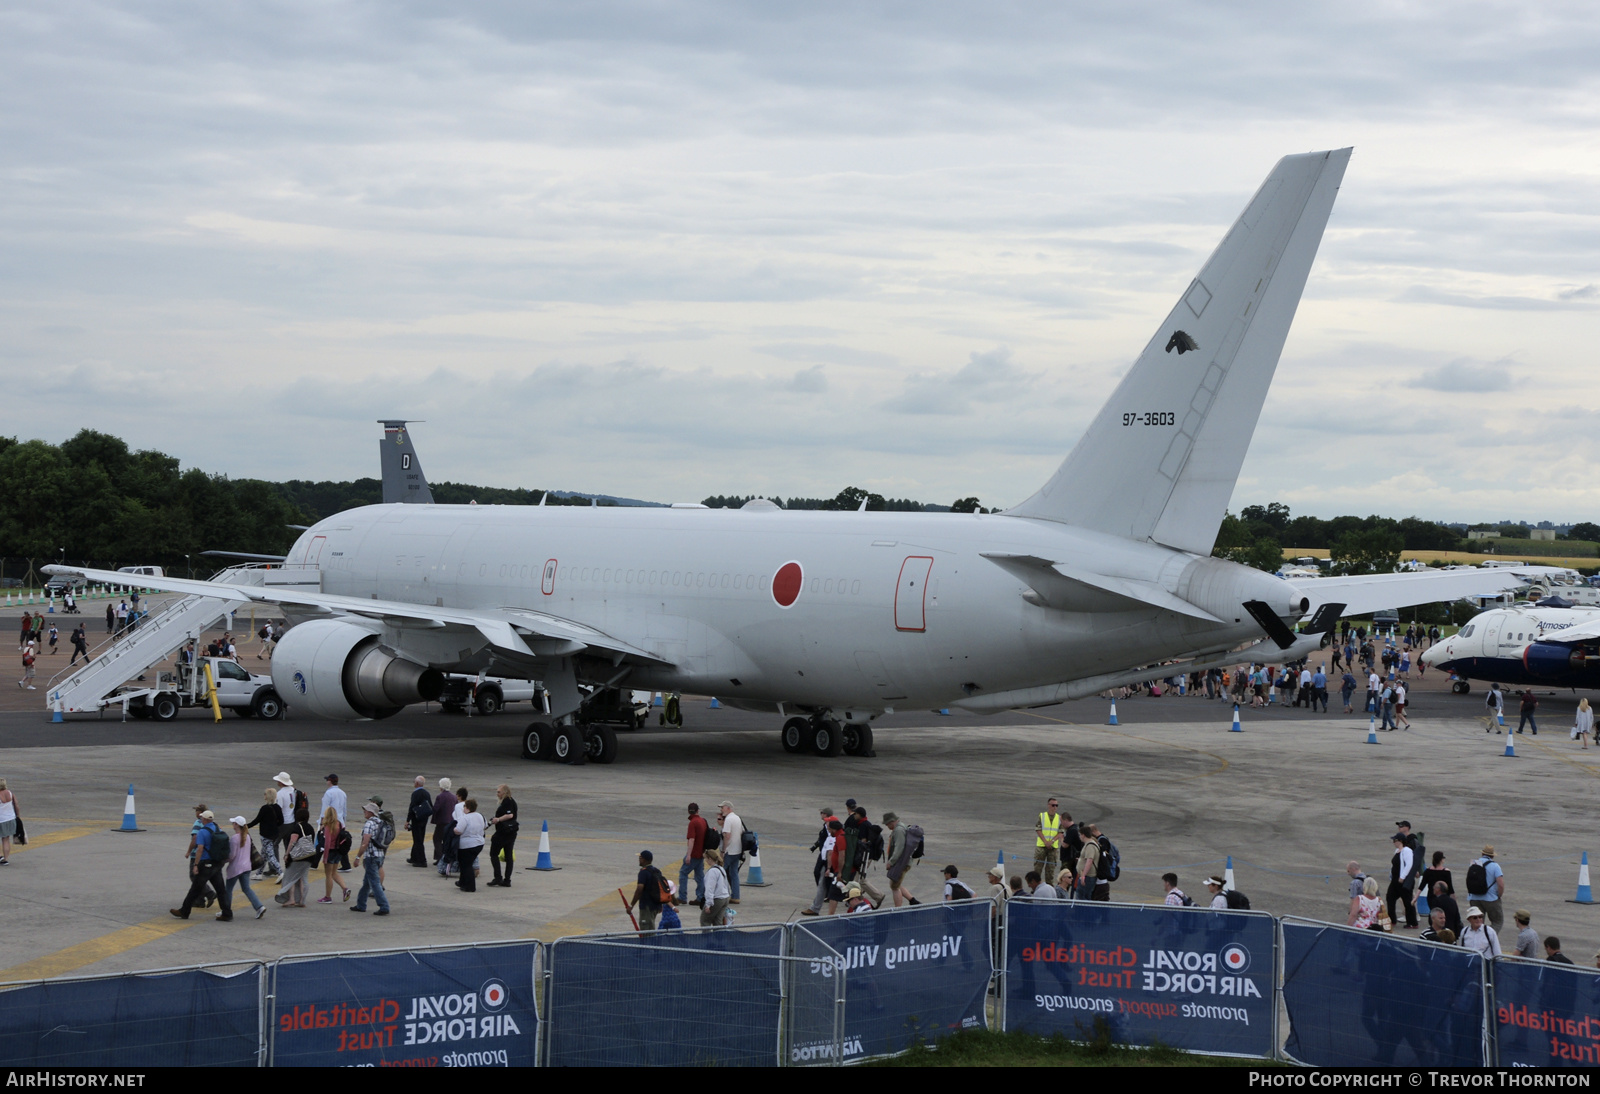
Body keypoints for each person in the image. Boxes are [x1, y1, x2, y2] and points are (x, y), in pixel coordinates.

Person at [172, 810, 232, 920]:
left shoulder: (202, 832)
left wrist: (195, 865)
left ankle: (184, 911)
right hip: (217, 863)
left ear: (204, 819)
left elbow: (199, 849)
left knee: (195, 889)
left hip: (206, 864)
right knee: (221, 890)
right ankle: (227, 913)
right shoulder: (217, 828)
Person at [349, 800, 392, 915]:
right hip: (379, 855)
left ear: (371, 812)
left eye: (366, 810)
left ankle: (384, 906)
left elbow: (365, 842)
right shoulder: (381, 822)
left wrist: (358, 857)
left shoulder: (369, 824)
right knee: (366, 882)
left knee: (374, 883)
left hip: (371, 856)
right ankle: (361, 904)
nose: (364, 812)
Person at [223, 817, 265, 919]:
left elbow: (232, 855)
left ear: (237, 825)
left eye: (233, 823)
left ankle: (226, 911)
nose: (232, 824)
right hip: (247, 867)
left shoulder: (234, 838)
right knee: (246, 888)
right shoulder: (247, 837)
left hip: (236, 868)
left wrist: (223, 860)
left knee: (228, 890)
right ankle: (259, 906)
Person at [273, 806, 316, 908]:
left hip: (298, 857)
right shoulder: (310, 827)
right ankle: (302, 900)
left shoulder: (297, 827)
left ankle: (291, 899)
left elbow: (293, 841)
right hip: (309, 856)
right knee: (303, 878)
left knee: (290, 876)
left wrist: (287, 854)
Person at [246, 788, 283, 879]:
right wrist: (274, 826)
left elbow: (257, 820)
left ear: (268, 796)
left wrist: (246, 826)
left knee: (270, 855)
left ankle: (280, 872)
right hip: (274, 834)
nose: (264, 796)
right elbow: (281, 821)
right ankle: (259, 873)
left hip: (265, 835)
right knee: (264, 854)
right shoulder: (277, 807)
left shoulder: (264, 808)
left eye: (265, 794)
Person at [1466, 845, 1506, 931]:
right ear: (1492, 855)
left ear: (1482, 853)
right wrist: (1498, 895)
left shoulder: (1474, 863)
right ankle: (1488, 937)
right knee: (1497, 921)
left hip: (1474, 896)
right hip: (1490, 898)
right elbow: (1501, 884)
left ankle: (1478, 937)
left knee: (1477, 922)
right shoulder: (1495, 866)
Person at [883, 812, 919, 907]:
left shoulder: (898, 830)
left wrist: (891, 862)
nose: (887, 826)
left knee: (894, 886)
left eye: (887, 824)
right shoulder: (902, 826)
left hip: (901, 862)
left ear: (891, 822)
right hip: (904, 861)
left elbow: (899, 848)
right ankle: (913, 901)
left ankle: (898, 910)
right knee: (896, 883)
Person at [316, 806, 350, 904]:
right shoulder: (339, 824)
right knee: (334, 873)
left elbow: (327, 843)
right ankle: (345, 888)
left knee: (328, 875)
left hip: (330, 851)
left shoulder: (328, 826)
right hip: (338, 851)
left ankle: (328, 896)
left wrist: (325, 857)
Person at [487, 784, 518, 887]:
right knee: (508, 856)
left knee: (493, 854)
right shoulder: (510, 801)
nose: (497, 794)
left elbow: (510, 815)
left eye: (499, 792)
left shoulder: (507, 802)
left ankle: (498, 877)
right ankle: (507, 879)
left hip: (503, 833)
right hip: (511, 833)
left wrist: (498, 819)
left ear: (505, 792)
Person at [1387, 833, 1418, 929]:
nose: (1393, 843)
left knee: (1407, 901)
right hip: (1395, 880)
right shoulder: (1397, 851)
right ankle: (1392, 920)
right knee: (1390, 898)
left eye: (1394, 841)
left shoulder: (1407, 851)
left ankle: (1412, 922)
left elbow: (1409, 864)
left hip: (1404, 881)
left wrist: (1402, 877)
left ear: (1399, 841)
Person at [454, 798, 486, 892]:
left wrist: (453, 830)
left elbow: (459, 830)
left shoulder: (465, 817)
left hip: (467, 845)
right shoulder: (480, 816)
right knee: (466, 863)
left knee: (466, 865)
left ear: (467, 808)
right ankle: (462, 882)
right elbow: (485, 826)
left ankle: (470, 886)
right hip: (479, 843)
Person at [680, 803, 709, 906]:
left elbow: (691, 839)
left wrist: (688, 855)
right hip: (701, 853)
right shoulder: (702, 821)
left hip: (694, 854)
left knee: (683, 873)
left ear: (688, 811)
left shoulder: (693, 823)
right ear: (698, 810)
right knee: (700, 876)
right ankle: (700, 897)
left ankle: (682, 897)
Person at [321, 774, 350, 871]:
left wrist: (322, 822)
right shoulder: (343, 793)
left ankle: (315, 862)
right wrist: (344, 822)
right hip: (340, 822)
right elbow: (344, 809)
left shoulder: (328, 793)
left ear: (329, 781)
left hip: (330, 822)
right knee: (340, 843)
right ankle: (346, 864)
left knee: (324, 841)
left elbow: (324, 809)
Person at [717, 801, 745, 904]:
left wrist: (723, 850)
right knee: (734, 874)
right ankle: (735, 896)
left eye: (722, 807)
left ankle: (723, 896)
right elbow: (742, 832)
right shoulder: (737, 818)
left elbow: (727, 836)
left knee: (721, 873)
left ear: (728, 808)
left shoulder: (728, 819)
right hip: (737, 850)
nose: (721, 810)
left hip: (729, 851)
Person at [1034, 797, 1064, 886]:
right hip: (1041, 846)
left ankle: (1049, 887)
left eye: (1056, 805)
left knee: (1050, 870)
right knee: (1038, 868)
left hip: (1053, 847)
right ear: (1048, 805)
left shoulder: (1059, 818)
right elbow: (1038, 829)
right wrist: (1045, 842)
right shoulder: (1042, 816)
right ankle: (1035, 887)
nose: (1055, 807)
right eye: (1053, 805)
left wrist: (1052, 841)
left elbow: (1060, 832)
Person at [404, 776, 432, 867]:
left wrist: (408, 820)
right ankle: (414, 857)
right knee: (420, 838)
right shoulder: (426, 793)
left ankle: (422, 860)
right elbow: (431, 806)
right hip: (424, 819)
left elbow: (411, 808)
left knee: (417, 840)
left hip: (416, 819)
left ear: (416, 783)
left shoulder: (415, 794)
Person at [431, 778, 458, 868]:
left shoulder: (440, 796)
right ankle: (443, 857)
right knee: (446, 840)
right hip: (451, 822)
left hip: (442, 821)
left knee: (437, 839)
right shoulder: (454, 797)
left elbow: (436, 808)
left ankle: (439, 857)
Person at [700, 848, 730, 926]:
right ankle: (719, 938)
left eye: (706, 858)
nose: (705, 861)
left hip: (717, 899)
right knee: (718, 922)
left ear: (710, 858)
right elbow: (726, 884)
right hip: (725, 898)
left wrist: (708, 904)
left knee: (704, 920)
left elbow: (710, 888)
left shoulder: (712, 872)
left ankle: (707, 938)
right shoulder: (721, 868)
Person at [1074, 824, 1101, 900]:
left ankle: (1082, 911)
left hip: (1088, 876)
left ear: (1083, 835)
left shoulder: (1090, 846)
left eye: (1080, 834)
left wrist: (1083, 875)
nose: (1079, 837)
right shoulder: (1089, 844)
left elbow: (1089, 860)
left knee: (1082, 897)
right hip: (1087, 876)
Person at [0, 778, 17, 864]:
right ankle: (5, 859)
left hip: (1, 820)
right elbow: (16, 805)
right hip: (10, 819)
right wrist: (17, 816)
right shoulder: (10, 793)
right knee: (6, 840)